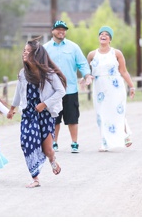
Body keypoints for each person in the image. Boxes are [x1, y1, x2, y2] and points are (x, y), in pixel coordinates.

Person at [8, 39, 67, 188]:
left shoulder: (49, 74)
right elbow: (18, 92)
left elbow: (61, 91)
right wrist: (12, 108)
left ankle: (52, 160)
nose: (25, 53)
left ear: (37, 55)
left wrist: (45, 104)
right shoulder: (23, 74)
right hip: (29, 114)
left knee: (47, 150)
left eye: (28, 51)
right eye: (24, 51)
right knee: (27, 143)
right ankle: (36, 178)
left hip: (45, 114)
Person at [44, 20, 92, 153]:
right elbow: (40, 67)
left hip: (70, 89)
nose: (61, 31)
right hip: (52, 91)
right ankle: (54, 143)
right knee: (55, 118)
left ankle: (74, 143)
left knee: (72, 117)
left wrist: (87, 75)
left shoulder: (73, 47)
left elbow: (82, 63)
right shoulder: (45, 48)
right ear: (52, 31)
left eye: (64, 29)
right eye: (58, 29)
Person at [87, 26, 135, 152]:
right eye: (101, 34)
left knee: (116, 112)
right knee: (101, 115)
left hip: (115, 87)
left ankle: (125, 134)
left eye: (106, 34)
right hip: (99, 89)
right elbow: (88, 72)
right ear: (98, 37)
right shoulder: (92, 55)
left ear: (110, 39)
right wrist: (85, 79)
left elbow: (124, 71)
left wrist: (131, 86)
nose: (103, 36)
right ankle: (104, 142)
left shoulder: (116, 53)